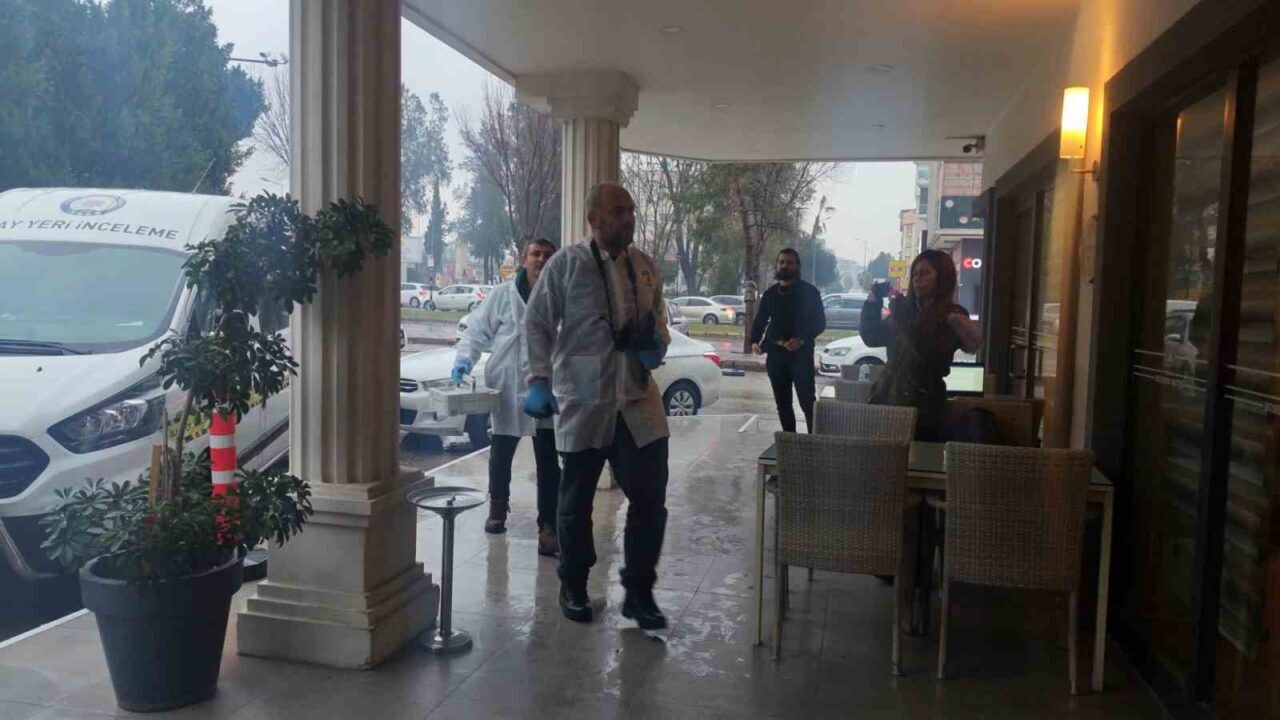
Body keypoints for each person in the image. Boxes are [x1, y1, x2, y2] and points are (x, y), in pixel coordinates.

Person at [524, 182, 671, 630]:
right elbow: (538, 321)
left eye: (631, 210)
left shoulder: (645, 267)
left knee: (650, 500)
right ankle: (573, 583)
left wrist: (656, 345)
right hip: (585, 400)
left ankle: (639, 593)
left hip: (637, 400)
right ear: (594, 219)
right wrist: (538, 379)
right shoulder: (568, 264)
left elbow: (660, 321)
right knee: (575, 502)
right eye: (618, 211)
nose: (628, 218)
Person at [452, 238, 562, 556]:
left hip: (545, 384)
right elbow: (476, 330)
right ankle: (498, 508)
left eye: (547, 255)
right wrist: (464, 360)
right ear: (524, 259)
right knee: (501, 452)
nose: (541, 259)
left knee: (548, 459)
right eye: (536, 254)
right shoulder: (502, 294)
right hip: (507, 383)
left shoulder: (561, 296)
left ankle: (548, 525)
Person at [860, 249, 983, 441]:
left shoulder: (951, 315)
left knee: (920, 456)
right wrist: (872, 302)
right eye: (915, 274)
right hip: (888, 399)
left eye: (925, 273)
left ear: (942, 278)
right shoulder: (907, 310)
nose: (917, 279)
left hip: (925, 407)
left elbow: (927, 354)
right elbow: (872, 337)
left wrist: (904, 316)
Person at [750, 248, 827, 433]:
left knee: (808, 403)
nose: (785, 266)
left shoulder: (810, 292)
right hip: (776, 357)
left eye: (789, 262)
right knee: (783, 405)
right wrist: (754, 341)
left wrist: (801, 340)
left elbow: (819, 323)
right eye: (781, 262)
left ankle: (814, 442)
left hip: (801, 357)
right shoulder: (770, 294)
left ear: (797, 266)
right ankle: (790, 442)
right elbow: (760, 320)